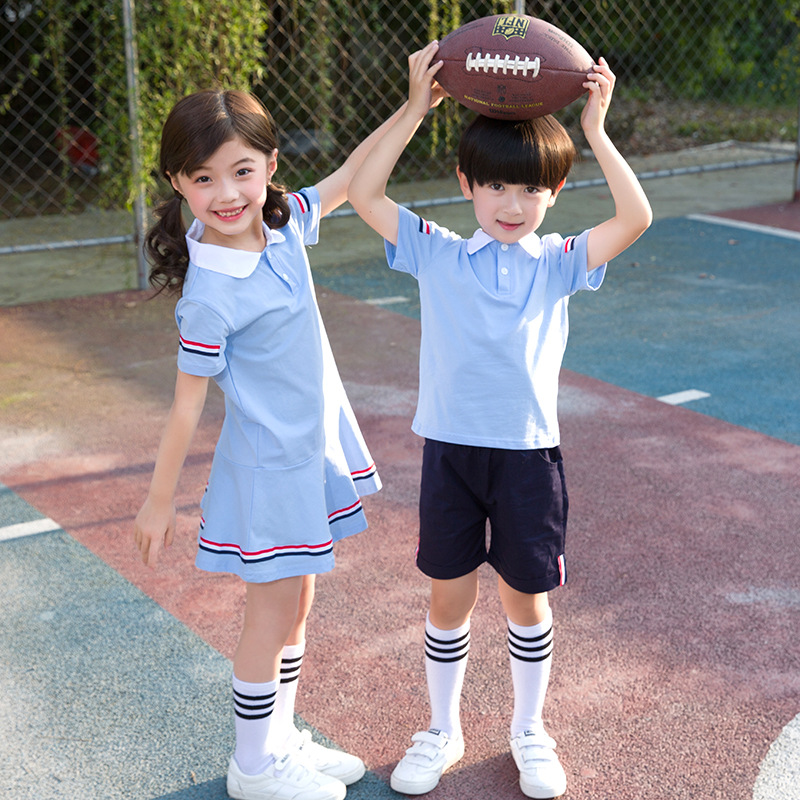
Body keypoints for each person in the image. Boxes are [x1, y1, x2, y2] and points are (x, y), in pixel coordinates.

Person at [348, 42, 652, 799]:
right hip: (452, 453)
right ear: (466, 184)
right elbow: (362, 190)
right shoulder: (437, 253)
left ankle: (528, 730)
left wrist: (597, 128)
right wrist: (416, 110)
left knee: (526, 598)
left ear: (553, 193)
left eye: (531, 190)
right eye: (496, 188)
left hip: (527, 457)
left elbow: (637, 215)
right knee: (448, 596)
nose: (512, 205)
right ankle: (442, 730)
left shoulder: (559, 261)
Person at [132, 88, 414, 800]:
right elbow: (185, 406)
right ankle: (253, 765)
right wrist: (157, 503)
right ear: (177, 182)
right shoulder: (209, 295)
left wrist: (414, 105)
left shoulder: (282, 225)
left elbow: (350, 177)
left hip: (304, 454)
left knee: (298, 602)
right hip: (267, 470)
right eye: (203, 178)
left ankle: (280, 739)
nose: (225, 194)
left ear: (270, 166)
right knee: (269, 613)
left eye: (241, 172)